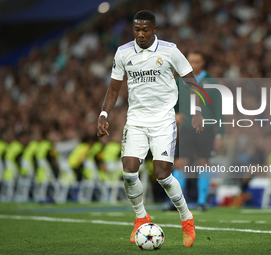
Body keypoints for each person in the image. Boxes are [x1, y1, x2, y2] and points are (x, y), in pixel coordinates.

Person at [97, 10, 204, 247]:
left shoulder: (170, 50)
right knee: (129, 171)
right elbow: (114, 89)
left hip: (164, 121)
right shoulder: (123, 52)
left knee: (163, 175)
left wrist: (197, 111)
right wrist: (104, 115)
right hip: (136, 120)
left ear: (154, 29)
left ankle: (186, 218)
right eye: (137, 30)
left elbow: (191, 82)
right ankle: (141, 217)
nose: (141, 34)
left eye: (146, 30)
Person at [172, 50, 223, 211]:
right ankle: (177, 203)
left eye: (197, 62)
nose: (193, 65)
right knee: (180, 164)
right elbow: (170, 101)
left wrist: (220, 134)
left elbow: (220, 111)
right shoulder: (180, 81)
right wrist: (175, 113)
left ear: (203, 63)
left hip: (206, 129)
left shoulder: (211, 82)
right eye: (190, 61)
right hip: (186, 128)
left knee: (203, 163)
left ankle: (202, 202)